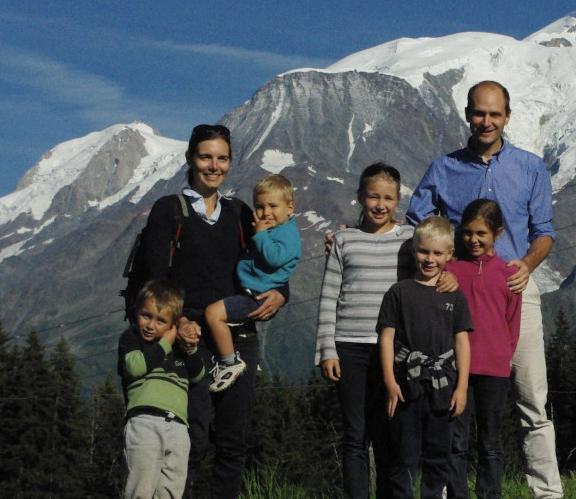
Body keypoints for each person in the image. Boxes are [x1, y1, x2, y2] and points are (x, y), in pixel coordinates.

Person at [406, 81, 562, 499]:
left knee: (532, 398)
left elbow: (544, 232)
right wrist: (442, 267)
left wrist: (526, 265)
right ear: (467, 115)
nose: (486, 121)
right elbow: (417, 225)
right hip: (455, 298)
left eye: (495, 114)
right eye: (479, 113)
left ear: (507, 117)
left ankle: (548, 493)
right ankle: (443, 492)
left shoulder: (531, 167)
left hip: (515, 293)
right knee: (447, 400)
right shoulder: (444, 168)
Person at [142, 123, 289, 499]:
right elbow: (153, 281)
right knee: (191, 438)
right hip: (187, 343)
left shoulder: (239, 213)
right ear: (191, 160)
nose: (214, 165)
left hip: (238, 338)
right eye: (206, 157)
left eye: (222, 158)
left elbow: (270, 261)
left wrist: (281, 293)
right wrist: (180, 321)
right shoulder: (169, 211)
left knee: (233, 441)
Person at [315, 162, 414, 499]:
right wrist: (327, 349)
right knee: (355, 435)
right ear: (360, 197)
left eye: (388, 197)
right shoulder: (344, 240)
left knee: (390, 432)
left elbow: (432, 269)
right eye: (373, 196)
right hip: (349, 347)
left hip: (395, 351)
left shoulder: (410, 239)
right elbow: (329, 295)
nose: (380, 204)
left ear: (398, 199)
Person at [377, 215, 472, 499]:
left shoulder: (455, 296)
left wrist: (462, 387)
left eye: (437, 253)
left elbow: (462, 342)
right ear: (414, 251)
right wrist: (390, 382)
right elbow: (387, 338)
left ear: (449, 255)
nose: (430, 259)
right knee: (403, 456)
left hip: (444, 387)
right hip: (406, 386)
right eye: (424, 251)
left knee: (438, 456)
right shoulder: (399, 292)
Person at [444, 199, 521, 499]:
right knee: (456, 441)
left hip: (493, 370)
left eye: (481, 234)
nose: (473, 240)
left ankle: (491, 495)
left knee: (490, 442)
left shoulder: (508, 274)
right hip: (456, 368)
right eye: (467, 233)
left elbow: (512, 323)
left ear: (497, 234)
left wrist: (503, 356)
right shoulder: (450, 270)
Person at [205, 174, 301, 393]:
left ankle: (230, 363)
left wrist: (260, 235)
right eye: (260, 206)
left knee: (213, 314)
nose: (266, 212)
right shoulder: (277, 228)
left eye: (273, 206)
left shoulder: (285, 235)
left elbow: (274, 258)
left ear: (290, 207)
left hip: (255, 296)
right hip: (251, 292)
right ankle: (246, 360)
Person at [118, 280, 206, 499]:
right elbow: (135, 366)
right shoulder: (131, 338)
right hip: (144, 422)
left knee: (171, 492)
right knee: (140, 489)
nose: (150, 325)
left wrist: (190, 349)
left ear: (173, 324)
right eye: (146, 315)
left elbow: (198, 375)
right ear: (136, 312)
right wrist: (165, 343)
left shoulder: (180, 348)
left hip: (178, 428)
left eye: (160, 320)